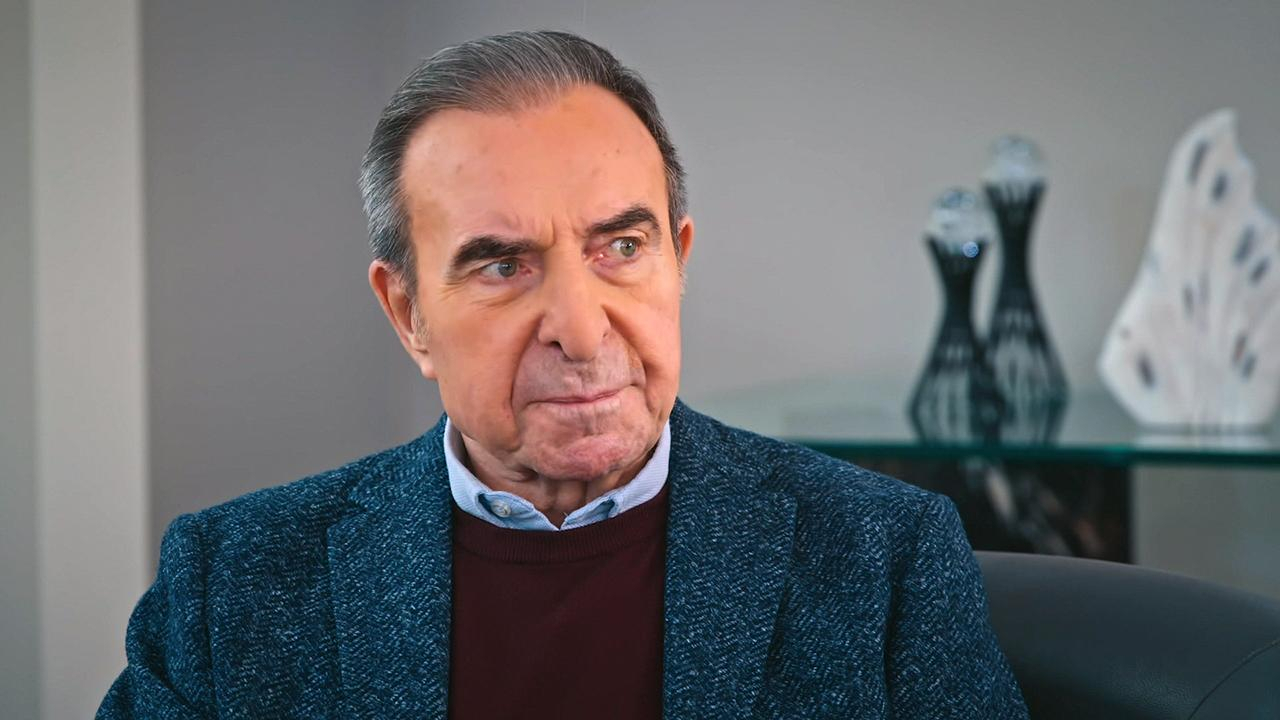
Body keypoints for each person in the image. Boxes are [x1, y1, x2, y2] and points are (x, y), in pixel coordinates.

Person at [98, 30, 1029, 719]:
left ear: (679, 259)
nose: (582, 334)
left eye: (621, 247)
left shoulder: (885, 557)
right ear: (408, 314)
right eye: (503, 266)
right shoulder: (233, 581)